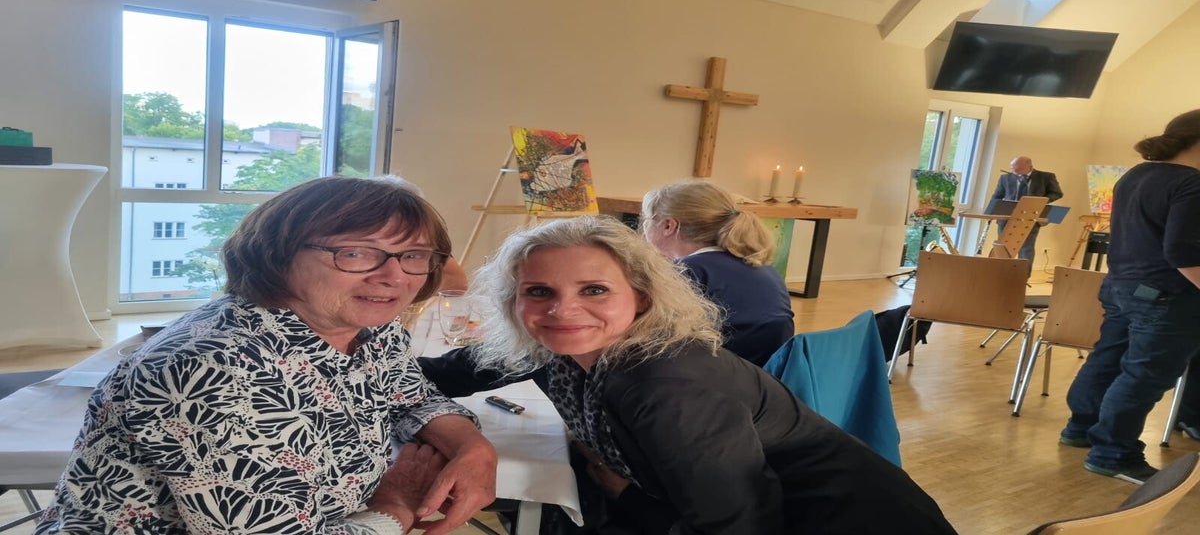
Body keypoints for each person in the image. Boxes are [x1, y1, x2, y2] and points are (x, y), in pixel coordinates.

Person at [35, 175, 497, 535]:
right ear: (276, 255)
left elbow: (410, 396)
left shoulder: (368, 326)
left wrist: (473, 449)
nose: (393, 276)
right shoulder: (213, 372)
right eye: (355, 253)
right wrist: (397, 504)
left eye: (413, 255)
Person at [465, 214, 957, 534]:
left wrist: (626, 496)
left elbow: (737, 525)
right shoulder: (571, 352)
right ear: (514, 301)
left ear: (642, 298)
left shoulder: (663, 385)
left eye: (594, 290)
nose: (562, 310)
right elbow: (457, 368)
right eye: (539, 292)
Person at [1059, 109, 1200, 484]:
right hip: (1166, 296)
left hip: (1121, 286)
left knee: (1107, 359)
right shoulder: (1192, 184)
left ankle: (1080, 427)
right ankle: (1113, 452)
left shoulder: (1135, 175)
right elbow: (1183, 252)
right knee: (1144, 375)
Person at [640, 180, 794, 366]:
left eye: (646, 219)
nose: (643, 229)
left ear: (668, 225)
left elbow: (652, 337)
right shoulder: (762, 266)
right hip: (770, 373)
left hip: (721, 374)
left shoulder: (685, 271)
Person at [990, 155, 1063, 261]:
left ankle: (1023, 271)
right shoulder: (1005, 178)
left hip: (1031, 217)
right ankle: (1002, 270)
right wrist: (991, 212)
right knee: (1003, 248)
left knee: (1026, 248)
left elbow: (1057, 193)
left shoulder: (1046, 177)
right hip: (1007, 218)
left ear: (1030, 166)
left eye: (1019, 169)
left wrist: (1040, 201)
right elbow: (997, 196)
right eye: (1013, 169)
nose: (1015, 172)